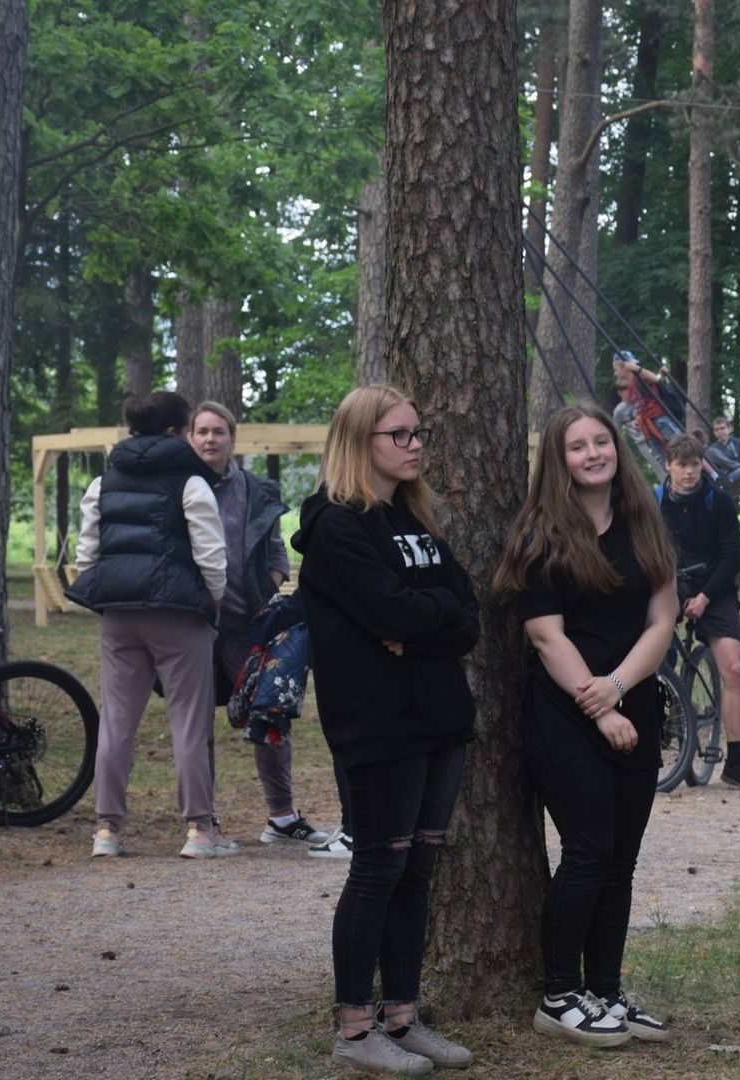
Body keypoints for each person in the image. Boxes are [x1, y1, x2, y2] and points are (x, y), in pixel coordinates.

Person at [293, 384, 478, 1074]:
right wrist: (423, 621)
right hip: (379, 725)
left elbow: (466, 614)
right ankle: (354, 1029)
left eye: (417, 433)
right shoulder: (338, 527)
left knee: (418, 868)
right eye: (399, 435)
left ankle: (402, 1017)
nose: (414, 445)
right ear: (358, 442)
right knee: (379, 867)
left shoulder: (416, 519)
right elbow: (396, 616)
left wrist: (419, 625)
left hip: (440, 718)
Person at [492, 403, 677, 1051]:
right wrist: (600, 708)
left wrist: (622, 690)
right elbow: (545, 635)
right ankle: (559, 994)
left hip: (637, 708)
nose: (595, 452)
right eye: (578, 446)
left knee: (620, 862)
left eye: (603, 441)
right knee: (590, 852)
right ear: (559, 459)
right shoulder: (541, 534)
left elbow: (662, 621)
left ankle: (605, 990)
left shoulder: (644, 523)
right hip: (566, 717)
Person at [67, 390, 231, 859]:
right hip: (179, 613)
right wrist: (214, 600)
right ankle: (199, 830)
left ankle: (107, 830)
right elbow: (211, 555)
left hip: (119, 614)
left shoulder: (104, 482)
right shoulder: (191, 482)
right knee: (188, 720)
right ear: (177, 431)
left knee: (116, 721)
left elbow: (85, 555)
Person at [188, 401, 334, 850]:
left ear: (232, 438)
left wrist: (262, 595)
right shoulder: (176, 487)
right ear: (190, 438)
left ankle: (282, 817)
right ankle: (202, 820)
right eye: (202, 432)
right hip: (190, 627)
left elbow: (276, 554)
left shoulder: (255, 490)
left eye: (218, 431)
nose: (210, 439)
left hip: (243, 626)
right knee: (194, 726)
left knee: (270, 714)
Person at [657, 436, 740, 790]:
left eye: (695, 464)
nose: (689, 472)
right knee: (648, 652)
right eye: (682, 464)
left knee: (732, 665)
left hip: (714, 586)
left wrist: (704, 596)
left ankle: (734, 762)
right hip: (670, 583)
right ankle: (658, 728)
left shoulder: (718, 501)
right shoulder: (653, 503)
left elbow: (732, 556)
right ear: (668, 465)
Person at [610, 353, 688, 476]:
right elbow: (642, 405)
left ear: (625, 366)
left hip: (658, 420)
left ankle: (710, 474)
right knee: (661, 460)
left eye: (616, 369)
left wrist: (634, 367)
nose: (615, 374)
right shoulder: (632, 388)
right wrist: (637, 420)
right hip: (648, 429)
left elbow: (656, 380)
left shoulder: (640, 377)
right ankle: (674, 481)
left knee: (683, 446)